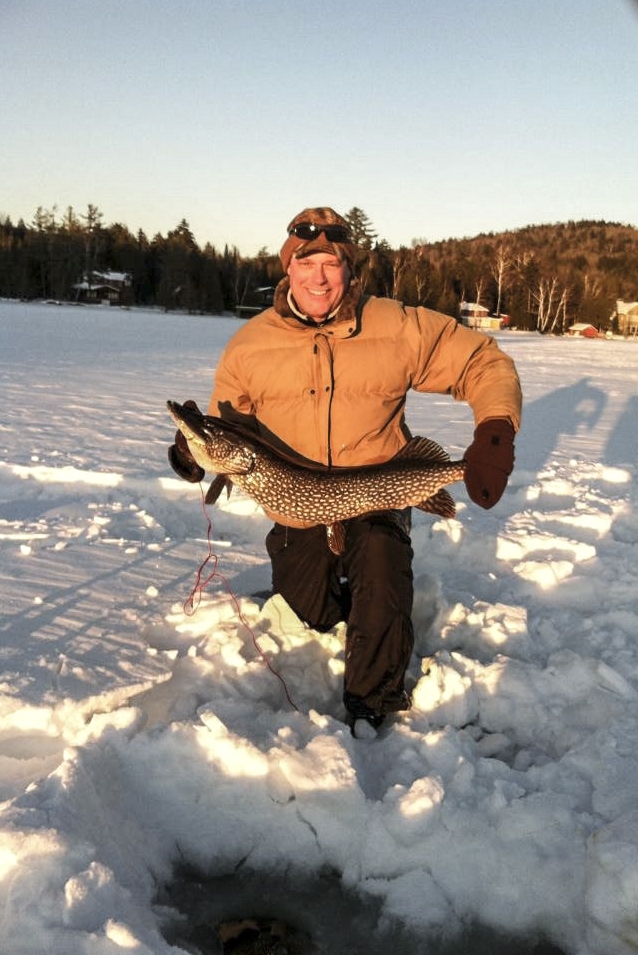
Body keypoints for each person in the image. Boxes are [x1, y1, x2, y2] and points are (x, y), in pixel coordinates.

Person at [169, 207, 522, 737]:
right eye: (306, 262)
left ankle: (373, 699)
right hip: (302, 505)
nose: (318, 276)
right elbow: (224, 426)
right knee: (309, 608)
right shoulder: (249, 346)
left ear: (348, 271)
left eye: (331, 263)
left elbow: (483, 361)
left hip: (381, 485)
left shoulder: (396, 326)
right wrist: (192, 451)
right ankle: (348, 602)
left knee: (378, 558)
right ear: (287, 268)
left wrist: (494, 432)